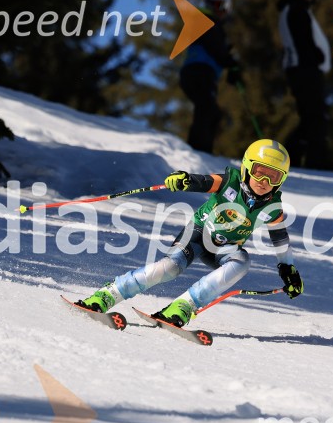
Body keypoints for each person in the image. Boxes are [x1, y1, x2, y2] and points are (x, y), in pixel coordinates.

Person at [76, 139, 304, 327]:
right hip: (198, 233)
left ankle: (184, 306)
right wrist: (185, 180)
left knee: (242, 261)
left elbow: (280, 239)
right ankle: (109, 294)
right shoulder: (230, 182)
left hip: (224, 249)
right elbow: (206, 182)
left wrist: (287, 268)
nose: (264, 181)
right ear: (246, 168)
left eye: (273, 177)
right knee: (170, 268)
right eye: (259, 172)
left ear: (280, 180)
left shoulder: (272, 206)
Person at [277, 0, 331, 169]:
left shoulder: (300, 9)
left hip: (305, 68)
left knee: (311, 118)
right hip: (303, 69)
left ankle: (289, 160)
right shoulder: (295, 9)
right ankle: (314, 164)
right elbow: (301, 40)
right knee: (316, 117)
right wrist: (316, 54)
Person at [179, 0, 242, 153]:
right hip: (200, 72)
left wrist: (229, 61)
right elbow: (216, 48)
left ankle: (200, 149)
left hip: (199, 72)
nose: (222, 11)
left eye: (224, 8)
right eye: (220, 6)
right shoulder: (207, 21)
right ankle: (198, 150)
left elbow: (216, 48)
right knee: (207, 110)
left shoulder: (206, 22)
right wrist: (231, 62)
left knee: (210, 111)